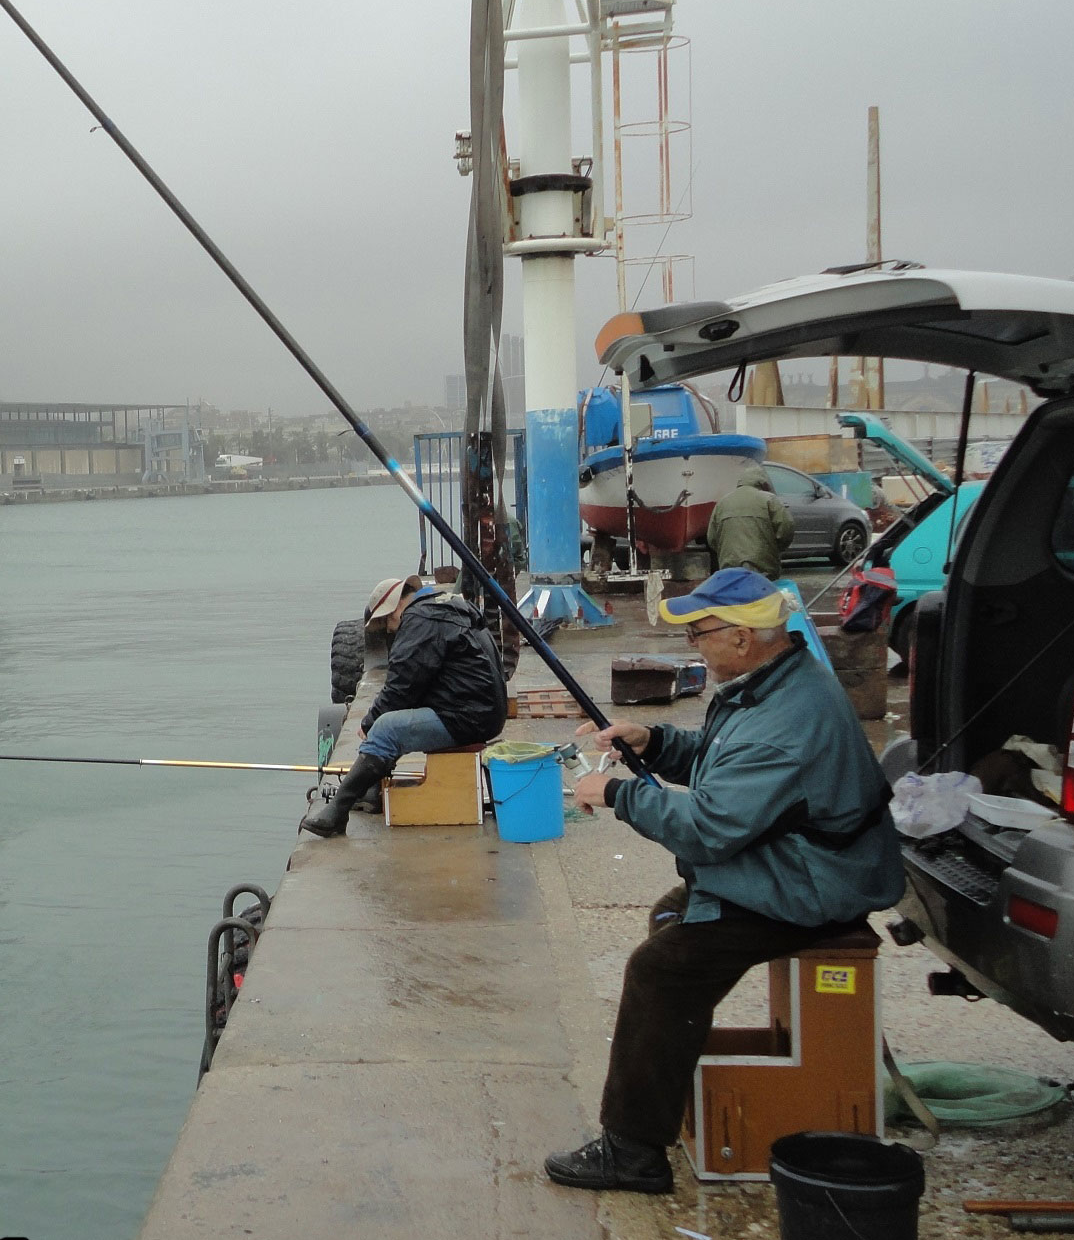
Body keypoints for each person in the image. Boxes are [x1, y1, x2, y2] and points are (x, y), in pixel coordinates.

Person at [542, 568, 902, 1193]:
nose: (692, 647)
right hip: (795, 863)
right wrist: (653, 743)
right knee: (671, 918)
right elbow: (719, 761)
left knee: (661, 968)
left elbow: (710, 827)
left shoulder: (784, 720)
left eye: (699, 633)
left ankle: (632, 1152)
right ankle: (667, 1083)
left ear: (742, 638)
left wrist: (618, 794)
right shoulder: (770, 684)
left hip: (813, 882)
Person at [299, 575, 507, 837]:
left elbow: (402, 684)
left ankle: (337, 813)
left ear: (395, 608)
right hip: (482, 711)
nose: (390, 629)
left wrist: (370, 720)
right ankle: (371, 792)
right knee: (394, 720)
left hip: (469, 717)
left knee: (386, 728)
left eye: (387, 621)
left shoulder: (420, 620)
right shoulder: (446, 607)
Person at [705, 465, 794, 578]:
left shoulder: (722, 502)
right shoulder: (769, 500)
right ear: (763, 482)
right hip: (763, 568)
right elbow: (786, 529)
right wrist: (776, 548)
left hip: (730, 569)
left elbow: (712, 538)